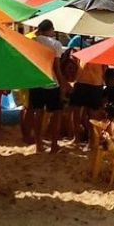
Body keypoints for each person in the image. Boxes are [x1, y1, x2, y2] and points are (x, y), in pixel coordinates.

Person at [24, 19, 66, 153]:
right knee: (56, 114)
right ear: (50, 30)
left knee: (38, 113)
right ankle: (54, 145)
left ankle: (38, 145)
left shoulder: (32, 41)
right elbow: (56, 67)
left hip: (36, 82)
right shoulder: (56, 44)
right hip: (52, 82)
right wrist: (63, 84)